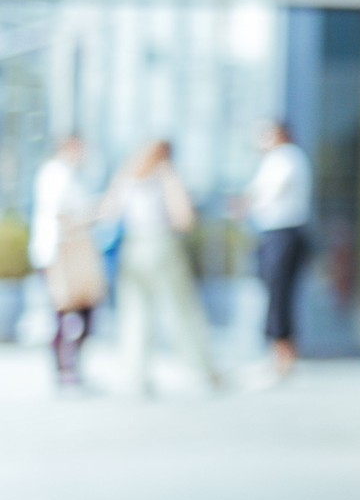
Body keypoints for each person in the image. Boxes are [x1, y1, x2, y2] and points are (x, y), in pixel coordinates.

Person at [101, 140, 220, 395]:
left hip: (133, 248)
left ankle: (137, 375)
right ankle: (201, 370)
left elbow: (108, 213)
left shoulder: (126, 175)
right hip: (161, 245)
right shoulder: (165, 175)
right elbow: (184, 219)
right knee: (181, 311)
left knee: (135, 313)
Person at [236, 121, 312, 380]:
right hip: (275, 233)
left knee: (279, 294)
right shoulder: (277, 159)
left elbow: (267, 193)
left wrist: (245, 205)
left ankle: (283, 356)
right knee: (275, 293)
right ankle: (278, 354)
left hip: (284, 233)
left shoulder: (287, 157)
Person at [30, 135, 105, 389]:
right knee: (63, 314)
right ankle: (64, 370)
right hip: (60, 255)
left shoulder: (68, 174)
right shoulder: (55, 174)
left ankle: (69, 368)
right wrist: (92, 214)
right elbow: (62, 214)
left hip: (68, 253)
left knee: (80, 313)